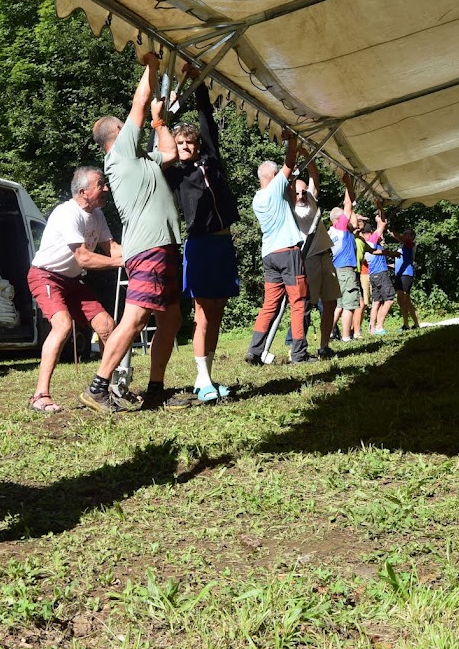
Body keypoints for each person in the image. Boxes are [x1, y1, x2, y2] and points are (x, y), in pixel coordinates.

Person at [82, 48, 188, 412]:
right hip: (149, 248)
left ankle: (155, 389)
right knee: (137, 317)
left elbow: (171, 155)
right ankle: (98, 386)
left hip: (165, 246)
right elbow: (141, 100)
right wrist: (152, 64)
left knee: (170, 319)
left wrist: (161, 124)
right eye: (128, 126)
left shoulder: (141, 160)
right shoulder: (120, 155)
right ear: (117, 133)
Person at [164, 65, 240, 403]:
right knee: (203, 315)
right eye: (179, 143)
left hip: (223, 241)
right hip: (199, 245)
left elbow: (206, 118)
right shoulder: (174, 175)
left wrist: (197, 85)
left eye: (188, 142)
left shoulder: (211, 159)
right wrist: (163, 119)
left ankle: (206, 378)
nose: (184, 147)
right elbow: (159, 144)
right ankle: (202, 377)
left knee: (219, 311)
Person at [25, 167, 123, 412]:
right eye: (100, 184)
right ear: (83, 192)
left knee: (107, 326)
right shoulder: (66, 213)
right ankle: (40, 396)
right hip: (45, 276)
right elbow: (84, 258)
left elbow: (112, 248)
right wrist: (121, 262)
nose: (106, 189)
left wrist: (140, 255)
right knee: (63, 326)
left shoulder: (97, 215)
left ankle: (106, 390)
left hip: (72, 281)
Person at [245, 129, 312, 365]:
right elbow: (289, 162)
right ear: (273, 176)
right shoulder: (275, 187)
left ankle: (254, 351)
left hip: (269, 254)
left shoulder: (257, 198)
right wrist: (292, 141)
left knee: (270, 304)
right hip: (288, 252)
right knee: (298, 302)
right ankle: (298, 353)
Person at [292, 160, 339, 359]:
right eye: (297, 193)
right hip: (308, 258)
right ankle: (298, 348)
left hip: (325, 255)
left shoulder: (311, 199)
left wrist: (307, 156)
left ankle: (324, 345)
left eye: (303, 192)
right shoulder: (290, 210)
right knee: (305, 305)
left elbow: (315, 178)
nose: (301, 195)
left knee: (331, 302)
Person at [329, 173, 363, 342]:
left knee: (339, 305)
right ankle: (346, 337)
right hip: (346, 271)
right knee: (349, 304)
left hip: (337, 270)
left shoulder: (331, 232)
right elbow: (348, 203)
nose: (348, 219)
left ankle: (328, 333)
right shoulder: (341, 227)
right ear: (337, 219)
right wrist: (348, 183)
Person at [364, 213, 395, 334]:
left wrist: (378, 219)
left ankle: (372, 328)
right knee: (389, 299)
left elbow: (380, 232)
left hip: (373, 275)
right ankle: (379, 326)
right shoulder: (371, 241)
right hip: (381, 274)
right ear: (370, 232)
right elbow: (382, 225)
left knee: (376, 302)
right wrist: (380, 213)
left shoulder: (367, 245)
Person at [389, 226, 421, 329]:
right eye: (405, 233)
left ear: (412, 236)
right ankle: (406, 323)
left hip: (407, 274)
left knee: (405, 298)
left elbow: (399, 237)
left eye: (407, 233)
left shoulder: (410, 244)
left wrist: (389, 229)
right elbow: (398, 262)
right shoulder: (402, 247)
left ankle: (414, 323)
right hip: (399, 274)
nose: (405, 235)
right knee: (401, 300)